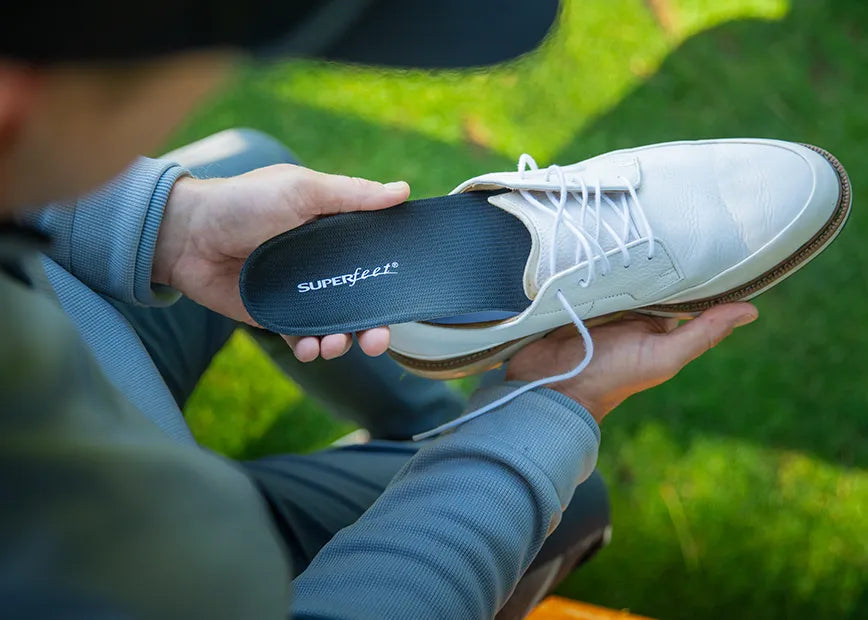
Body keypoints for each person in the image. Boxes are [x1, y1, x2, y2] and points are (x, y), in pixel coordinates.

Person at [0, 2, 759, 618]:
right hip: (176, 544)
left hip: (71, 332)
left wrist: (166, 224)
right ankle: (455, 456)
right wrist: (553, 409)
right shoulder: (93, 567)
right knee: (568, 499)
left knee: (256, 172)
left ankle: (420, 421)